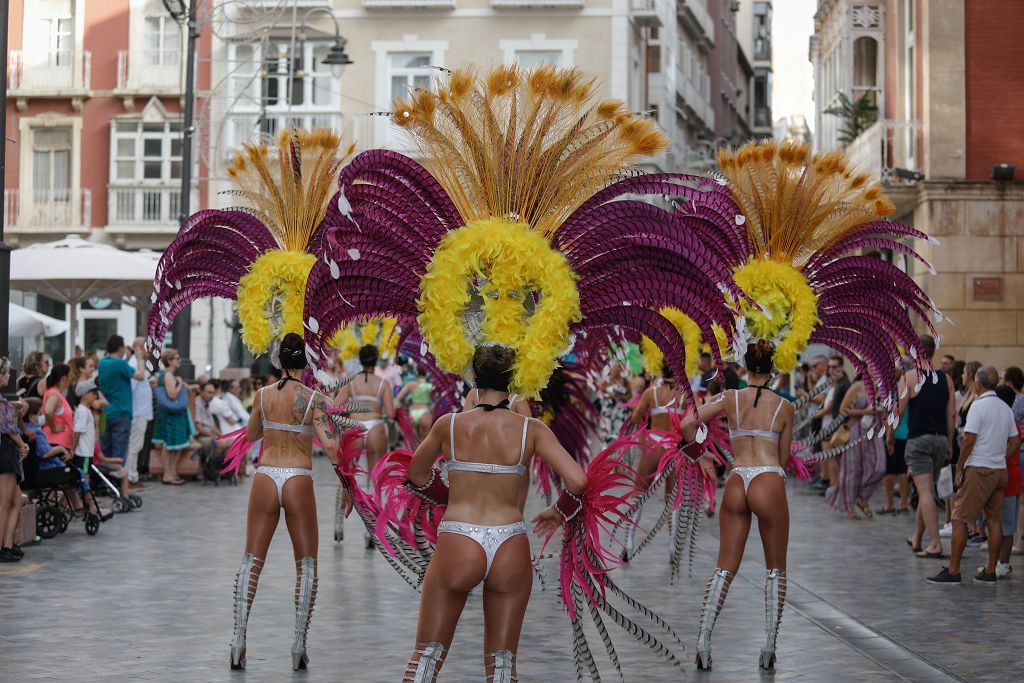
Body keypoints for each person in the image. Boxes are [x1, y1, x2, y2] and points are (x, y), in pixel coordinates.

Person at [400, 345, 587, 682]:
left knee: (425, 657)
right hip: (509, 542)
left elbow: (415, 473)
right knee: (502, 666)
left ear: (473, 377)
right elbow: (578, 481)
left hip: (459, 536)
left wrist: (446, 495)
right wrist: (558, 512)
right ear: (513, 379)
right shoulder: (532, 430)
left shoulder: (450, 426)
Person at [227, 333, 339, 671]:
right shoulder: (313, 399)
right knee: (306, 565)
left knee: (251, 560)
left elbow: (249, 436)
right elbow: (331, 447)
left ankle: (238, 640)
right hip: (297, 476)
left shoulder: (261, 396)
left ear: (279, 361)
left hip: (266, 475)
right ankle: (298, 646)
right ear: (305, 363)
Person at [681, 342, 794, 670]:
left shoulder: (730, 398)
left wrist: (701, 455)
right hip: (768, 478)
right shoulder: (784, 407)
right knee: (775, 569)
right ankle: (769, 648)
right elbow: (783, 458)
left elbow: (688, 424)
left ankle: (703, 642)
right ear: (772, 369)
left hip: (736, 479)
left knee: (724, 566)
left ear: (744, 368)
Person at [928, 366, 1019, 584]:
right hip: (999, 470)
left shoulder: (979, 406)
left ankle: (953, 570)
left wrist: (960, 468)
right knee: (994, 520)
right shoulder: (1005, 408)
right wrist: (1001, 457)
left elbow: (969, 439)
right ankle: (990, 569)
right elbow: (1015, 440)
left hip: (979, 469)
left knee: (960, 518)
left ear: (978, 383)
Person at [900, 335, 956, 559]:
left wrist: (889, 438)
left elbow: (898, 411)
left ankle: (935, 544)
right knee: (928, 492)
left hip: (919, 440)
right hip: (940, 440)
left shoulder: (910, 377)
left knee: (925, 492)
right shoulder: (947, 379)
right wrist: (949, 443)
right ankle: (917, 537)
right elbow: (951, 415)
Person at [826, 376, 886, 519]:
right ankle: (849, 507)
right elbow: (843, 411)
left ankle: (862, 497)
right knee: (852, 470)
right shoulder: (857, 386)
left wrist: (888, 432)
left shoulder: (881, 386)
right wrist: (865, 412)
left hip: (874, 430)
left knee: (880, 467)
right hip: (856, 431)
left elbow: (884, 411)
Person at [335, 344, 395, 484]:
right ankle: (374, 505)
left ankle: (347, 504)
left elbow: (334, 407)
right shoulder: (383, 383)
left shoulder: (350, 382)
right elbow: (391, 413)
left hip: (354, 427)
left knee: (348, 477)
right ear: (375, 361)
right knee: (376, 478)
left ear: (361, 361)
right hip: (375, 427)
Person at [985, 385, 1021, 577]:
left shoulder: (1008, 421)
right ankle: (998, 561)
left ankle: (1003, 563)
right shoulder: (1009, 419)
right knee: (1000, 521)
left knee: (1005, 523)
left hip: (1008, 475)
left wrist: (999, 458)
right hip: (1008, 474)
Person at [96, 335, 146, 472]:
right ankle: (117, 482)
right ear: (120, 347)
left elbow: (119, 368)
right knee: (119, 451)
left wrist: (128, 357)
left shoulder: (103, 362)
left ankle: (104, 482)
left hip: (106, 412)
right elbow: (140, 376)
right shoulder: (120, 364)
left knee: (106, 449)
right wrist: (139, 358)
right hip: (122, 412)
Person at [1, 358, 31, 563]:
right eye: (6, 373)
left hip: (9, 451)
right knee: (4, 503)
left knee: (16, 501)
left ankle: (8, 544)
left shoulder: (3, 400)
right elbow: (8, 428)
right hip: (5, 451)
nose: (9, 376)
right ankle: (3, 546)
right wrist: (22, 444)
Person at [150, 349, 194, 485]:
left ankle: (172, 472)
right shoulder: (168, 375)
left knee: (175, 445)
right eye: (176, 358)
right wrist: (180, 384)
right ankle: (168, 474)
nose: (179, 360)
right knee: (169, 445)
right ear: (169, 360)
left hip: (173, 414)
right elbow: (172, 394)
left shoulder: (169, 375)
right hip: (171, 414)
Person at [127, 338, 153, 488]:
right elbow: (132, 388)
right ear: (138, 348)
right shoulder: (134, 364)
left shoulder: (139, 364)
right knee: (134, 445)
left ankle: (133, 474)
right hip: (137, 412)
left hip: (141, 412)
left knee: (137, 445)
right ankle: (130, 477)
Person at [396, 366, 435, 441]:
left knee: (417, 443)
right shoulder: (430, 386)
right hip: (425, 412)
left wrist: (403, 410)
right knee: (426, 441)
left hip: (412, 413)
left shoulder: (411, 384)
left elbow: (397, 398)